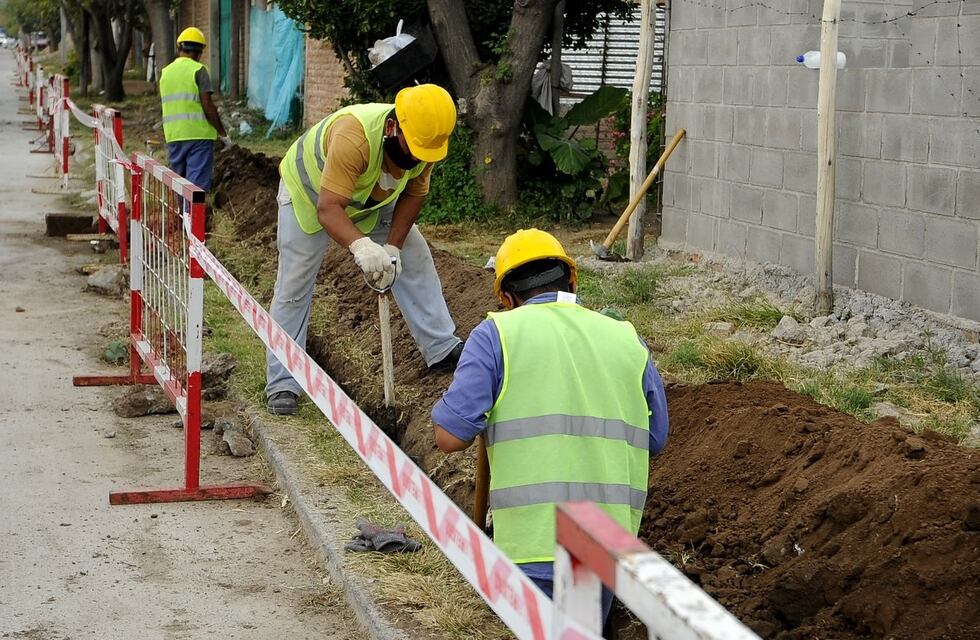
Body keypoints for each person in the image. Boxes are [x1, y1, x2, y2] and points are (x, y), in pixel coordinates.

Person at [430, 229, 669, 623]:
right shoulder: (627, 339)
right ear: (573, 281)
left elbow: (450, 437)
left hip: (531, 546)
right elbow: (655, 438)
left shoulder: (496, 335)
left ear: (506, 298)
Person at [265, 84, 464, 415]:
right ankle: (283, 382)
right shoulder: (354, 137)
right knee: (294, 287)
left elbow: (415, 194)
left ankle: (441, 347)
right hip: (310, 194)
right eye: (413, 148)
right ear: (392, 127)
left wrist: (394, 247)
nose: (417, 157)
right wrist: (360, 246)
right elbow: (329, 209)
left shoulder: (426, 141)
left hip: (369, 200)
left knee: (416, 255)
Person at [158, 27, 229, 192]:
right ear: (199, 52)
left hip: (174, 135)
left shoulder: (165, 72)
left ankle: (181, 216)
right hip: (199, 137)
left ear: (179, 48)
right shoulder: (198, 70)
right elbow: (208, 106)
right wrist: (222, 132)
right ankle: (193, 217)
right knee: (196, 187)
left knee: (178, 183)